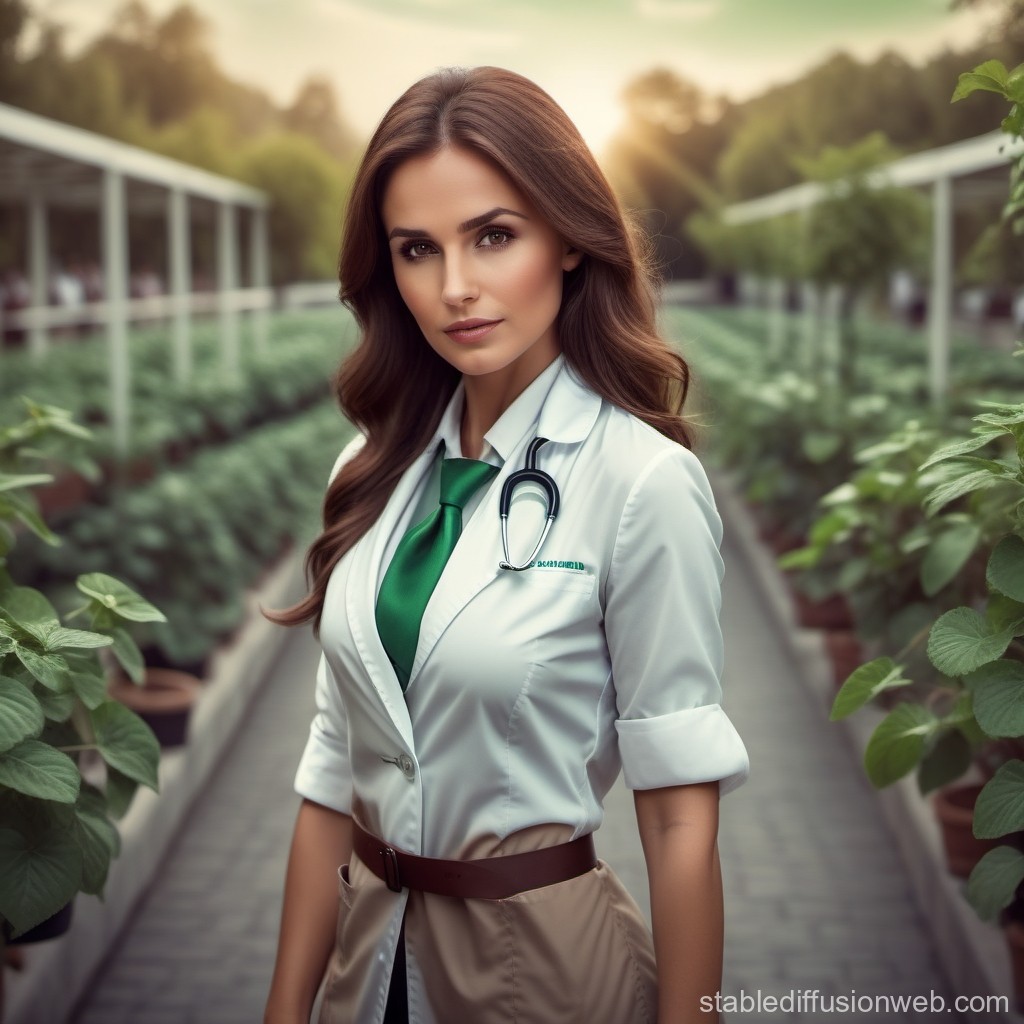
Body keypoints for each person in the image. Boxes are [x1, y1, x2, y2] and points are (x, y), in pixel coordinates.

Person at [263, 65, 750, 1024]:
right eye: (416, 249)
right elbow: (333, 769)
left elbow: (678, 815)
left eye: (492, 235)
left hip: (548, 976)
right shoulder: (367, 469)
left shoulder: (641, 481)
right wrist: (285, 1009)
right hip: (367, 971)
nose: (455, 288)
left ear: (567, 238)